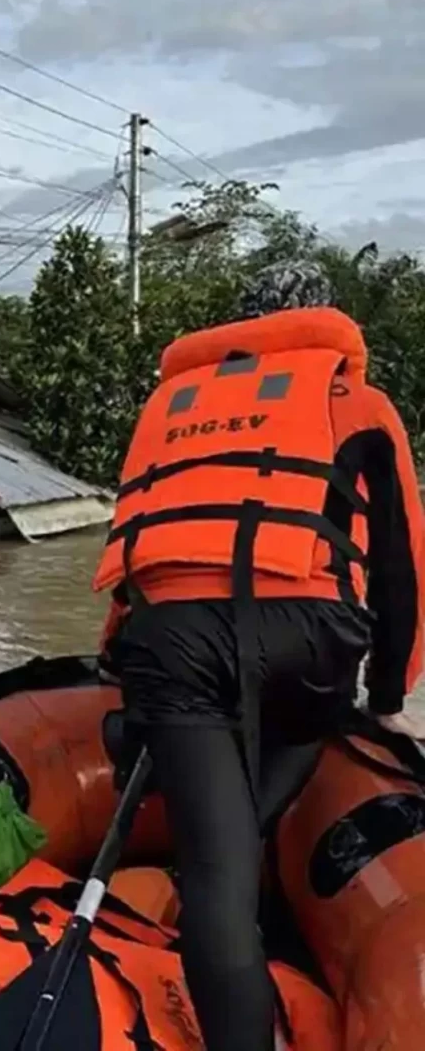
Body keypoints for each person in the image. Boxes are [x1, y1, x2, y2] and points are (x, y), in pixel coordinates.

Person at [93, 260, 425, 1051]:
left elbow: (148, 542)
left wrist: (121, 668)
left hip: (168, 640)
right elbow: (402, 570)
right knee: (311, 722)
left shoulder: (170, 405)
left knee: (214, 875)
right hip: (307, 637)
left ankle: (227, 857)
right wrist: (388, 694)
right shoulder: (354, 402)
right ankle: (253, 840)